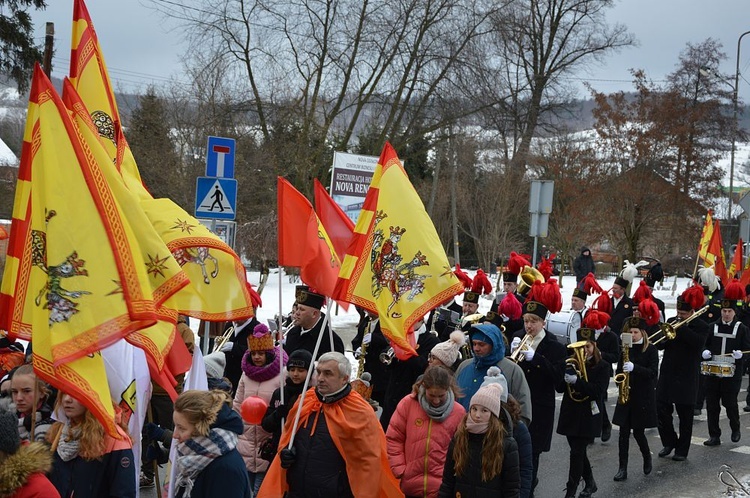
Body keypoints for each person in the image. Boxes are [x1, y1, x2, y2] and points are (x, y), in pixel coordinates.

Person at [258, 352, 401, 497]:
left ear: (344, 378)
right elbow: (288, 436)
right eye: (319, 372)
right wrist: (286, 454)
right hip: (298, 491)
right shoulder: (305, 400)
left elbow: (369, 462)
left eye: (328, 374)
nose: (320, 379)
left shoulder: (360, 411)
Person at [510, 281, 566, 496]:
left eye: (533, 321)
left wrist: (538, 359)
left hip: (540, 408)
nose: (528, 326)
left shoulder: (555, 346)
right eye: (526, 321)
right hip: (518, 406)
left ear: (543, 322)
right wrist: (509, 352)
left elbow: (559, 381)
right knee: (514, 453)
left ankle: (528, 491)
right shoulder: (517, 337)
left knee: (531, 456)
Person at [386, 365, 466, 498]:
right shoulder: (408, 404)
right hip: (412, 485)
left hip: (443, 488)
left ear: (448, 389)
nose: (436, 400)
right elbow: (394, 437)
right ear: (424, 388)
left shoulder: (458, 412)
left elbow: (462, 449)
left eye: (441, 395)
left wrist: (454, 476)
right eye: (432, 395)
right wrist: (400, 469)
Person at [438, 378, 520, 498]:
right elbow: (447, 482)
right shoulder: (460, 437)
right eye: (474, 409)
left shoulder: (506, 444)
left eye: (484, 410)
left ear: (493, 414)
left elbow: (511, 489)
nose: (477, 415)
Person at [655, 285, 709, 461]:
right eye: (678, 312)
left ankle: (682, 450)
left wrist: (682, 327)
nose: (680, 316)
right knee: (661, 409)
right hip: (668, 373)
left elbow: (698, 344)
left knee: (685, 416)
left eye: (684, 314)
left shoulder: (701, 326)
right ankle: (669, 441)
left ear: (692, 311)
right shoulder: (672, 321)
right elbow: (661, 344)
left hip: (687, 376)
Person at [48, 392, 136, 498]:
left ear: (93, 396)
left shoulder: (114, 439)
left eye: (75, 394)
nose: (67, 399)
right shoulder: (57, 433)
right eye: (64, 393)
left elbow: (124, 493)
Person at [233, 323, 287, 495]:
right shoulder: (245, 374)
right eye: (254, 353)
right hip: (246, 436)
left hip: (267, 438)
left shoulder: (281, 374)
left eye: (261, 353)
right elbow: (237, 402)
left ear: (269, 354)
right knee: (246, 488)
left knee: (260, 491)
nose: (256, 357)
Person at [142, 314, 195, 488]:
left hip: (168, 393)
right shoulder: (154, 325)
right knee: (147, 433)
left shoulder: (183, 330)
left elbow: (185, 360)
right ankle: (148, 472)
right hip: (149, 390)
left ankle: (171, 477)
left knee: (171, 435)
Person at [556, 328, 609, 498]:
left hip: (588, 415)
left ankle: (570, 491)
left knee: (576, 453)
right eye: (581, 347)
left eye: (588, 347)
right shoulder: (570, 363)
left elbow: (598, 391)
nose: (584, 351)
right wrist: (564, 377)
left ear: (595, 346)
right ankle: (590, 482)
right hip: (571, 413)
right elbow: (559, 388)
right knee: (578, 452)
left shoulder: (603, 366)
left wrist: (577, 382)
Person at [172, 390, 251, 498]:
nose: (175, 435)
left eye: (181, 428)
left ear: (201, 430)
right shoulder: (198, 457)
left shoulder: (225, 471)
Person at [455, 323, 532, 425]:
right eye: (474, 344)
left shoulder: (512, 371)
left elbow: (523, 412)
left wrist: (506, 435)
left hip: (495, 437)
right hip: (461, 433)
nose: (476, 349)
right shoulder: (464, 366)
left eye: (482, 344)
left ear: (494, 345)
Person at [702, 286, 750, 446]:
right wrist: (704, 352)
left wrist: (741, 355)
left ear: (734, 312)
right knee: (712, 405)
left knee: (730, 404)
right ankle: (714, 435)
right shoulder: (712, 327)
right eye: (724, 311)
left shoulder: (742, 329)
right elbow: (704, 345)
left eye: (729, 311)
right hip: (713, 371)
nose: (726, 314)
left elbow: (747, 349)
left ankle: (735, 429)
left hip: (732, 373)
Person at [612, 316, 658, 481]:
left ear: (642, 333)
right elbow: (618, 370)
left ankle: (647, 456)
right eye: (629, 332)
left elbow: (653, 373)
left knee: (638, 432)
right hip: (626, 396)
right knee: (623, 434)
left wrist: (635, 368)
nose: (632, 335)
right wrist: (620, 382)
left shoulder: (650, 349)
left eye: (635, 332)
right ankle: (622, 468)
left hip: (642, 397)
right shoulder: (625, 348)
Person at [380, 319, 439, 430]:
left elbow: (424, 366)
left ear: (421, 320)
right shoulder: (399, 336)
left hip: (413, 393)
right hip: (393, 393)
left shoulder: (431, 340)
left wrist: (405, 353)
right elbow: (387, 365)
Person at [261, 349, 312, 464]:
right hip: (278, 448)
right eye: (292, 369)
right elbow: (266, 425)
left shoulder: (311, 394)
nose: (295, 374)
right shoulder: (280, 393)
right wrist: (277, 415)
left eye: (301, 370)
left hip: (300, 452)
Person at [283, 288, 345, 360]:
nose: (297, 313)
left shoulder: (331, 340)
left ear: (314, 314)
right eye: (297, 308)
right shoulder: (292, 333)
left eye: (302, 309)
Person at [351, 310, 389, 405]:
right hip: (368, 368)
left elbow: (390, 341)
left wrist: (375, 338)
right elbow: (357, 340)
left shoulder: (387, 321)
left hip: (383, 371)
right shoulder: (366, 321)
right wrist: (357, 349)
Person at [10, 364, 54, 444]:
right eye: (15, 392)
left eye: (26, 391)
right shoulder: (7, 420)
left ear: (42, 393)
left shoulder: (51, 425)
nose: (19, 398)